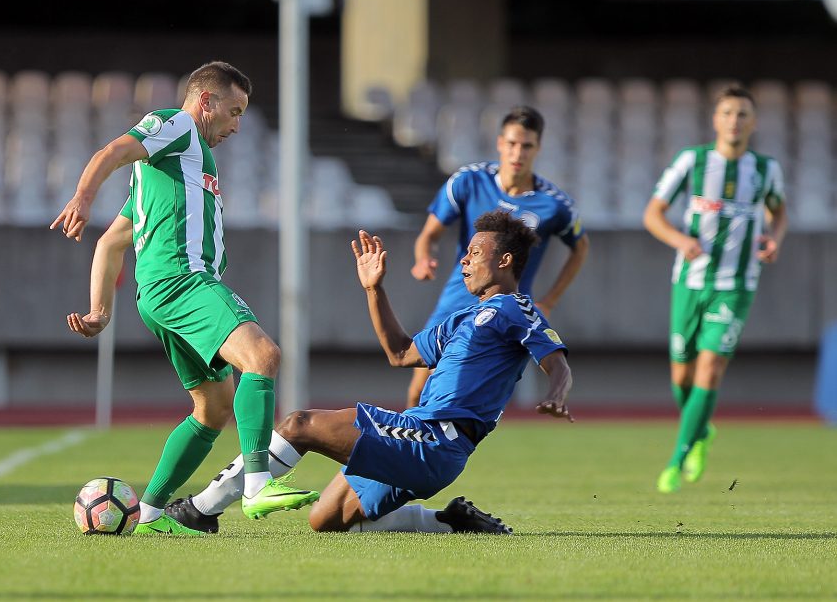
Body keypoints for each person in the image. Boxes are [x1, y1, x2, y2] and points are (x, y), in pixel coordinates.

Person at [162, 211, 574, 534]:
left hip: (436, 439)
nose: (464, 260)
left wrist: (556, 392)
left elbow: (556, 361)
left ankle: (201, 509)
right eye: (464, 252)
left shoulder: (516, 310)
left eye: (475, 254)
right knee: (326, 519)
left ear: (504, 260)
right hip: (418, 434)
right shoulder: (463, 318)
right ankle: (448, 521)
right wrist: (373, 288)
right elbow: (399, 353)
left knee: (299, 424)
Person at [52, 61, 318, 535]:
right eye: (234, 112)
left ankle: (151, 514)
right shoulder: (176, 126)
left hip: (159, 294)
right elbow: (114, 149)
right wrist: (83, 196)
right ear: (206, 102)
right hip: (183, 281)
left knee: (213, 409)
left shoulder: (166, 174)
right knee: (263, 356)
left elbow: (110, 244)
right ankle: (257, 483)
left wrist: (100, 310)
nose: (237, 125)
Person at [643, 83, 787, 494]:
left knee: (710, 367)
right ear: (715, 119)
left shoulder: (765, 169)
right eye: (727, 113)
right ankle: (702, 431)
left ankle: (678, 457)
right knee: (681, 375)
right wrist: (680, 241)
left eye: (743, 114)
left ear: (753, 122)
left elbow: (779, 212)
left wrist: (775, 239)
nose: (734, 121)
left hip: (736, 284)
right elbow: (653, 213)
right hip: (689, 281)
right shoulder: (693, 161)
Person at [406, 106, 589, 408]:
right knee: (420, 385)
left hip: (507, 308)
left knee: (479, 390)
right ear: (500, 143)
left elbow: (581, 248)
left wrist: (550, 299)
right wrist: (423, 258)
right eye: (513, 143)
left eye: (527, 145)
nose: (519, 153)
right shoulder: (468, 181)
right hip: (457, 299)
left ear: (538, 148)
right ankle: (408, 447)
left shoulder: (554, 205)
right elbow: (429, 234)